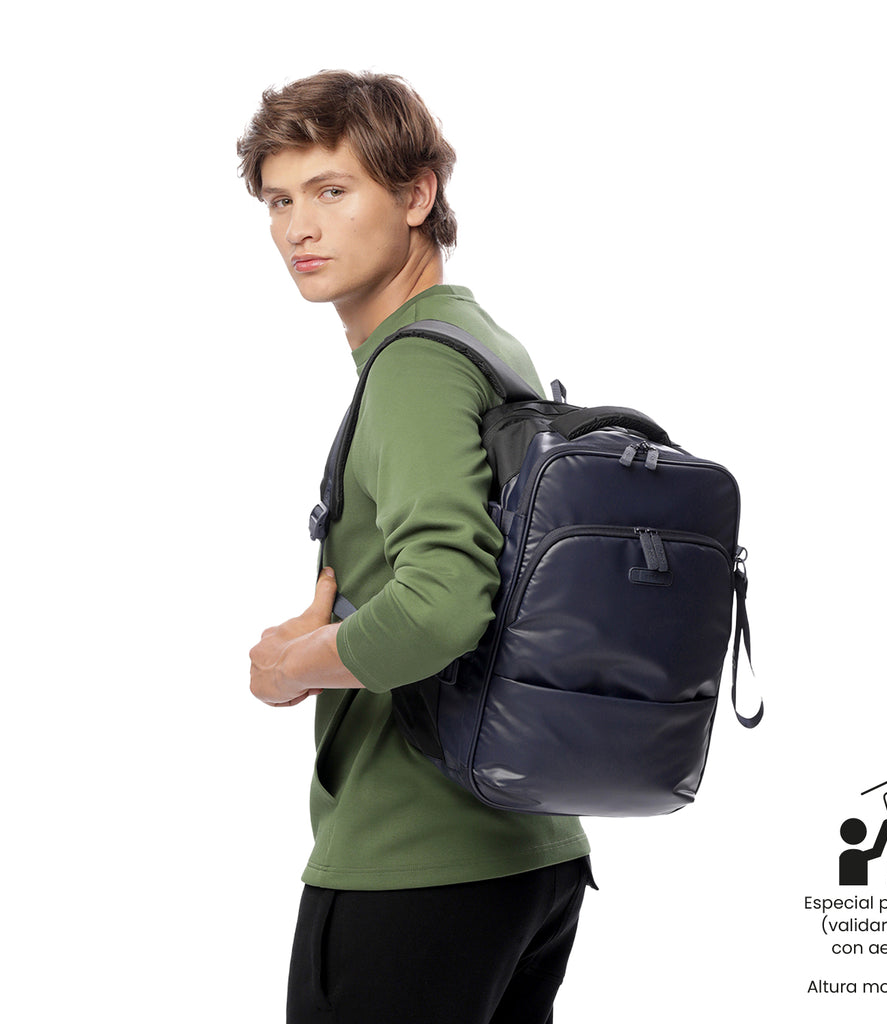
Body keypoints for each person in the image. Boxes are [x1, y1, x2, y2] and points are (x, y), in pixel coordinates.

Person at [238, 71, 592, 1024]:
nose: (299, 228)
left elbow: (444, 601)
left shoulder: (416, 364)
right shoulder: (483, 341)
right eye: (279, 200)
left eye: (332, 190)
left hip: (414, 863)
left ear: (416, 195)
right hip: (528, 854)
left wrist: (294, 666)